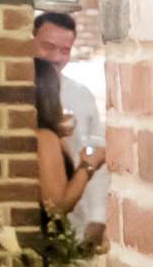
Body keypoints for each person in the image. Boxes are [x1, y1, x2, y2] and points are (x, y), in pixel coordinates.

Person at [31, 14, 105, 224]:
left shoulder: (81, 95)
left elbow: (93, 146)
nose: (56, 57)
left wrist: (98, 218)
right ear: (31, 40)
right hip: (45, 221)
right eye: (48, 47)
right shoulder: (18, 92)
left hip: (77, 219)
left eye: (65, 50)